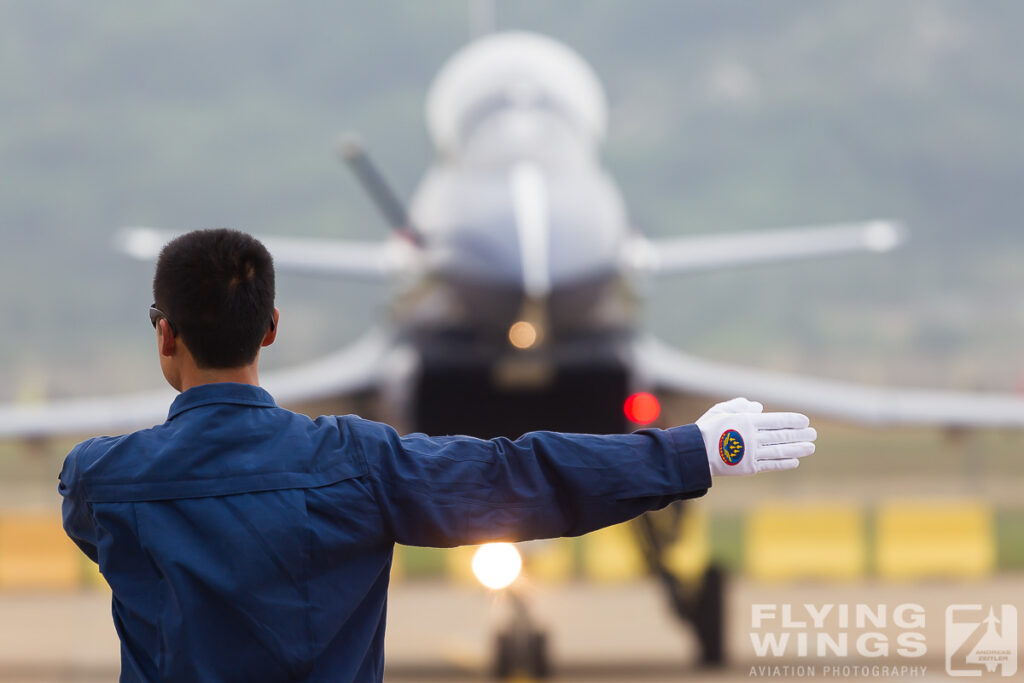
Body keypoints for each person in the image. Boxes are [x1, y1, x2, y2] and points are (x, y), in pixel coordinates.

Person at [58, 228, 816, 682]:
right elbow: (522, 475)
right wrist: (692, 451)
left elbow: (99, 517)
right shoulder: (358, 464)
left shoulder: (100, 481)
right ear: (270, 328)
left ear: (165, 333)